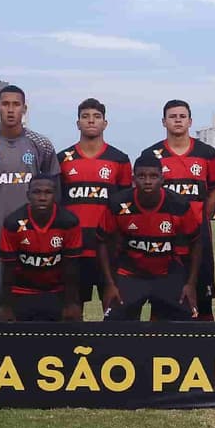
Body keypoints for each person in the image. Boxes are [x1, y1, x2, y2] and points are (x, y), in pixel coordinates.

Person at [0, 85, 60, 321]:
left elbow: (56, 192)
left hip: (36, 240)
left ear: (24, 109)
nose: (10, 110)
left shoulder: (41, 144)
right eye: (5, 104)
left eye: (16, 104)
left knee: (33, 304)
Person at [140, 100, 215, 320]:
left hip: (197, 236)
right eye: (172, 116)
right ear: (164, 121)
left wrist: (202, 219)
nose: (177, 120)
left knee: (203, 302)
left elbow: (212, 190)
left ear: (190, 121)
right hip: (164, 236)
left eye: (182, 116)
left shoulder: (207, 153)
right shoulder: (152, 154)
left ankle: (205, 350)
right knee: (162, 300)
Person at [98, 154, 201, 320]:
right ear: (133, 179)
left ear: (162, 179)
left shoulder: (179, 204)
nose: (147, 181)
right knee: (113, 324)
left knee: (187, 325)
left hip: (167, 274)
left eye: (153, 176)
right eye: (141, 176)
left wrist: (190, 284)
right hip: (130, 274)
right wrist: (110, 283)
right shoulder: (118, 204)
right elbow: (102, 242)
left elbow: (196, 242)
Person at [57, 98, 132, 315]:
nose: (91, 121)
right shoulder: (63, 159)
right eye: (85, 117)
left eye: (97, 117)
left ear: (105, 123)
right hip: (73, 250)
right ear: (77, 123)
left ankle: (112, 350)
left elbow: (125, 209)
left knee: (114, 312)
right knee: (71, 313)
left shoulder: (119, 159)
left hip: (108, 250)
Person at [0, 175, 82, 322]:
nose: (42, 197)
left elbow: (71, 267)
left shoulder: (69, 222)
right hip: (21, 291)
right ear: (28, 195)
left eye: (48, 192)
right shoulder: (13, 223)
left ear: (55, 195)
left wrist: (71, 303)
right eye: (36, 192)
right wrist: (6, 306)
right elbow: (8, 268)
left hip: (56, 291)